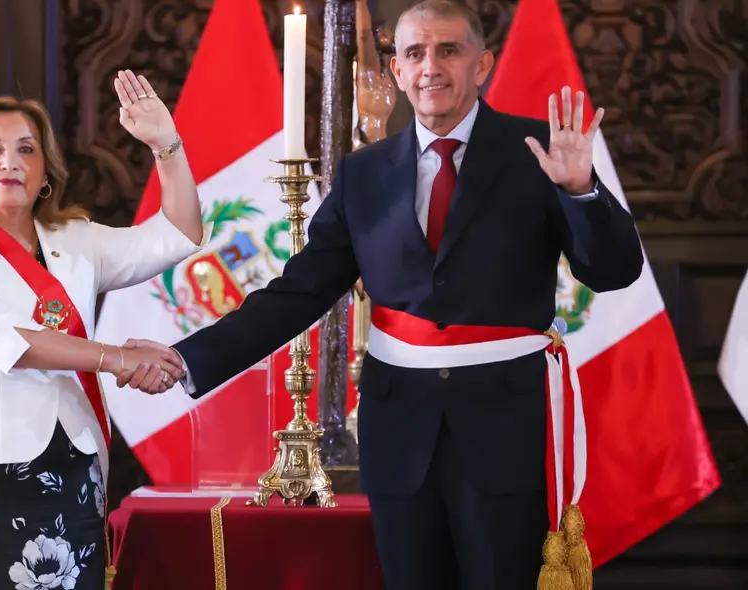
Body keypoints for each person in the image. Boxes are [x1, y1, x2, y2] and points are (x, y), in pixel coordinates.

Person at [116, 1, 644, 589]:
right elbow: (299, 292)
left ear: (481, 64)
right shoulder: (363, 173)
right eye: (414, 53)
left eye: (449, 51)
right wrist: (188, 358)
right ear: (396, 70)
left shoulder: (540, 151)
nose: (430, 67)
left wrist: (582, 191)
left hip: (503, 426)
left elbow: (614, 271)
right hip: (400, 430)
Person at [0, 71, 206, 589]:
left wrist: (166, 144)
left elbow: (178, 233)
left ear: (45, 174)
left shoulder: (76, 240)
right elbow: (12, 343)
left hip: (67, 468)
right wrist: (116, 357)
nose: (9, 161)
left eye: (26, 149)